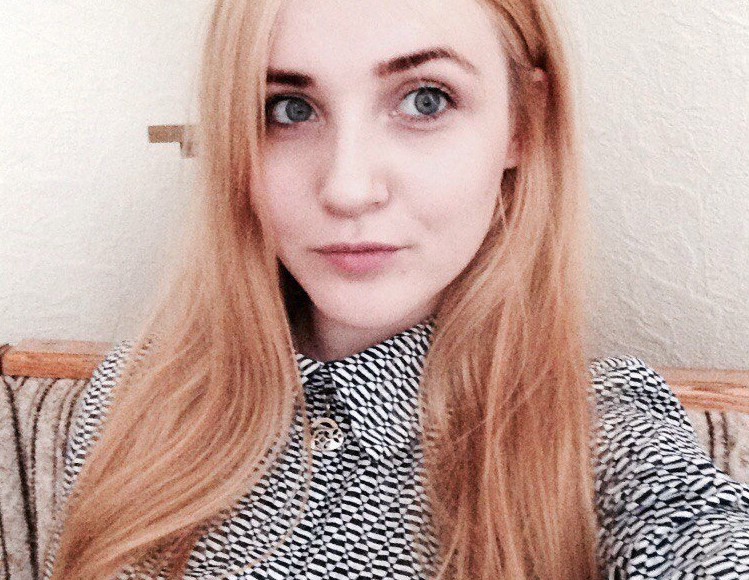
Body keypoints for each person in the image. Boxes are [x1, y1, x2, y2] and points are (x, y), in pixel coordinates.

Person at [45, 0, 749, 578]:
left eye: (425, 99)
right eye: (288, 109)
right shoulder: (136, 398)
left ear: (522, 123)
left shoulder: (599, 437)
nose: (348, 188)